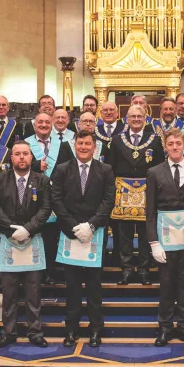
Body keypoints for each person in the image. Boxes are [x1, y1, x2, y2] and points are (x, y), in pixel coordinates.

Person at [52, 131, 116, 348]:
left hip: (95, 234)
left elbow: (108, 201)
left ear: (94, 147)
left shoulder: (105, 170)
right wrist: (73, 226)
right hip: (70, 234)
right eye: (80, 143)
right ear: (74, 145)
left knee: (94, 287)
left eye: (88, 144)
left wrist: (91, 225)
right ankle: (71, 330)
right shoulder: (62, 169)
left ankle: (96, 329)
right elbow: (56, 199)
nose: (84, 147)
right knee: (71, 287)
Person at [146, 128, 184, 347]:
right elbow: (150, 210)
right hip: (165, 240)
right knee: (166, 285)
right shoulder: (154, 172)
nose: (174, 147)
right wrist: (153, 242)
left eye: (178, 144)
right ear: (165, 146)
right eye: (170, 143)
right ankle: (165, 327)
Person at [0, 141, 51, 348]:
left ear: (31, 157)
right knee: (9, 292)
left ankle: (35, 331)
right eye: (17, 154)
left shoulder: (41, 180)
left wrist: (29, 229)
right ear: (11, 158)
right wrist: (13, 229)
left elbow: (45, 209)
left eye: (25, 154)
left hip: (33, 240)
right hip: (8, 240)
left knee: (34, 292)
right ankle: (8, 333)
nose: (22, 157)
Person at [106, 104, 165, 285]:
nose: (136, 120)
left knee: (146, 233)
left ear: (145, 118)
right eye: (133, 116)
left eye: (140, 116)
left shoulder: (154, 139)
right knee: (124, 234)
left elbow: (159, 166)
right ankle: (126, 269)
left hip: (147, 191)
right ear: (126, 119)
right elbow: (111, 167)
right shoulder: (116, 140)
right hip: (123, 191)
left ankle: (144, 270)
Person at [24, 113, 62, 284]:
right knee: (32, 232)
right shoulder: (25, 143)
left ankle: (49, 272)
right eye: (41, 122)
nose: (44, 124)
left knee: (50, 236)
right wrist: (35, 165)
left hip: (55, 195)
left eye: (48, 122)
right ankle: (31, 273)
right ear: (34, 124)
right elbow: (19, 163)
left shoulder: (62, 144)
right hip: (31, 195)